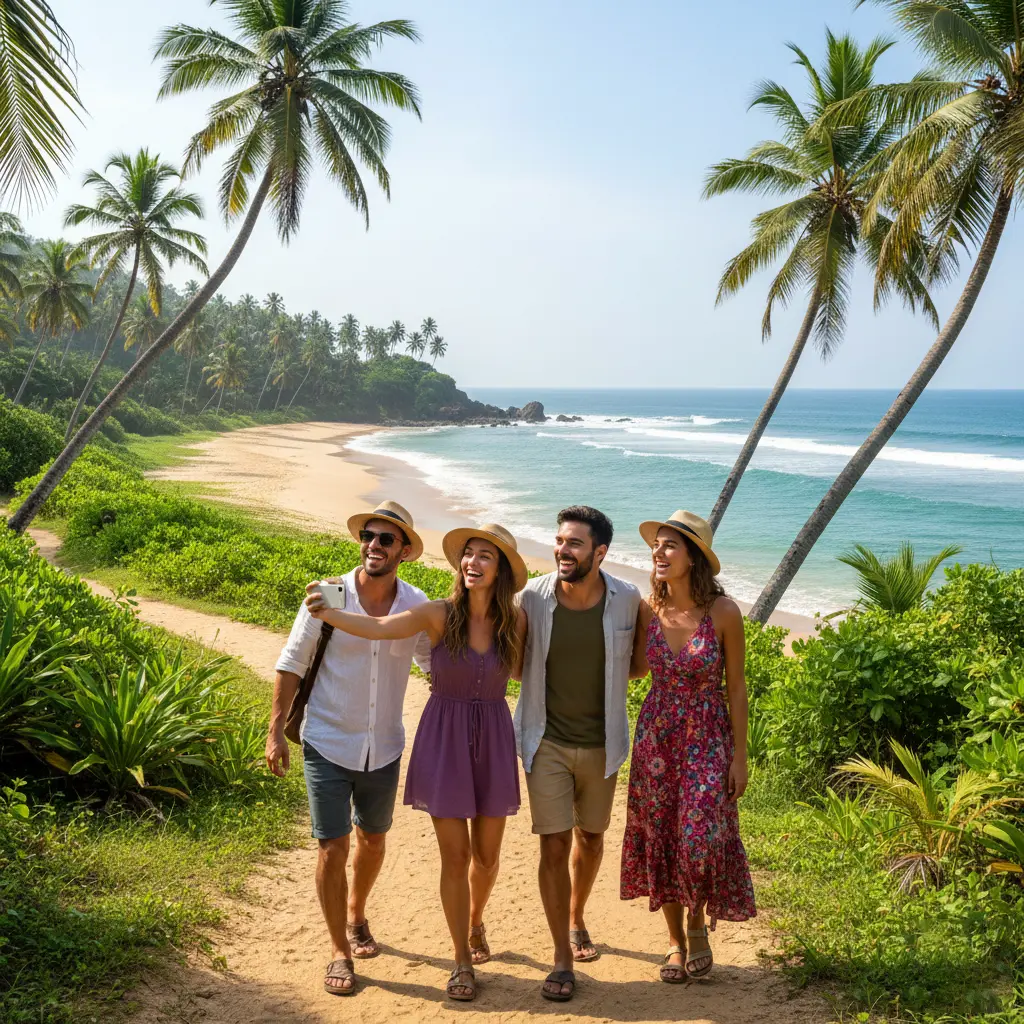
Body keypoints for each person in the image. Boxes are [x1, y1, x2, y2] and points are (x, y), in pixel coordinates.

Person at [305, 522, 529, 1003]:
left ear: (503, 569)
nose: (472, 562)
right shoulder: (436, 613)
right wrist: (329, 611)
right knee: (456, 856)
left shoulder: (517, 621)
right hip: (445, 740)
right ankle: (461, 962)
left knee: (487, 857)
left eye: (485, 556)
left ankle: (474, 922)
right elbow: (380, 628)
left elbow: (540, 669)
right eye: (468, 554)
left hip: (492, 738)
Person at [265, 501, 432, 997]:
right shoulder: (326, 595)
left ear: (404, 550)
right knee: (332, 845)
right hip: (327, 739)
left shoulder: (416, 602)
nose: (374, 546)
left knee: (374, 840)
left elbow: (432, 662)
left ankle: (357, 913)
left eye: (385, 539)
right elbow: (291, 663)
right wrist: (275, 731)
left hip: (383, 745)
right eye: (369, 536)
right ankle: (339, 948)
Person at [620, 510, 756, 983]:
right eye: (656, 545)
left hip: (707, 735)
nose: (658, 552)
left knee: (698, 839)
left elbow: (736, 688)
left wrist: (740, 756)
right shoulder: (646, 610)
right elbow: (634, 668)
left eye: (670, 545)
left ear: (694, 556)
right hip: (657, 734)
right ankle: (676, 941)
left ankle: (698, 921)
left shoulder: (724, 612)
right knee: (661, 836)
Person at [514, 505, 644, 1002]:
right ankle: (562, 960)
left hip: (603, 744)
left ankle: (576, 916)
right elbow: (514, 660)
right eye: (560, 541)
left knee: (591, 839)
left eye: (574, 543)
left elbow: (636, 667)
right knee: (553, 844)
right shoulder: (533, 596)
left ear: (600, 552)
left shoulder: (628, 599)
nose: (562, 550)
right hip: (544, 740)